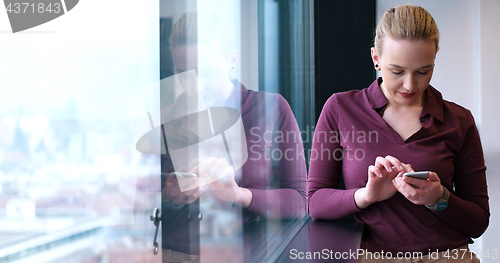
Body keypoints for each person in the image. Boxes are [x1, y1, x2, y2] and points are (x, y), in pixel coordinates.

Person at [307, 4, 488, 263]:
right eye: (397, 71)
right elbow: (315, 202)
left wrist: (438, 198)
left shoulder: (459, 120)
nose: (410, 85)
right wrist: (367, 195)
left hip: (447, 257)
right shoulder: (340, 109)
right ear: (375, 58)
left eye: (423, 71)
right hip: (370, 257)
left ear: (435, 57)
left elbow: (478, 221)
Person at [159, 11, 307, 261]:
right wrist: (169, 196)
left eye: (207, 73)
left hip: (251, 254)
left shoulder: (271, 109)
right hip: (178, 255)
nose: (196, 87)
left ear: (232, 60)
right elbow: (143, 205)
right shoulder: (168, 120)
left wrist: (238, 194)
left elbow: (300, 202)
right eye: (184, 73)